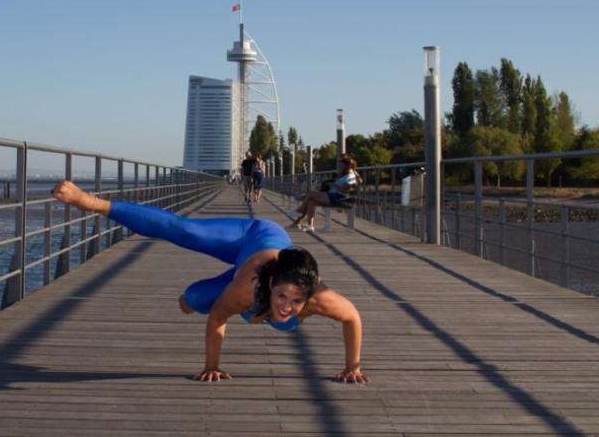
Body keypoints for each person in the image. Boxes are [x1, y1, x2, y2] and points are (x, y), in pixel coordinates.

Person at [51, 180, 370, 383]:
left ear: (308, 297)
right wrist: (211, 366)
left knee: (282, 322)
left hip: (263, 276)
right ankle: (91, 201)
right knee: (190, 275)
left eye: (296, 301)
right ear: (271, 285)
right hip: (253, 237)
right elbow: (219, 316)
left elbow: (352, 316)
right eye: (283, 297)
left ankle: (255, 310)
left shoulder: (317, 297)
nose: (288, 305)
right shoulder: (248, 287)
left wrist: (352, 366)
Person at [290, 156, 363, 233]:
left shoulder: (350, 176)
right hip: (332, 195)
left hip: (337, 197)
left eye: (341, 165)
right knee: (311, 202)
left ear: (346, 166)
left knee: (310, 194)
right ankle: (310, 226)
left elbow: (344, 190)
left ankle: (298, 211)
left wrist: (333, 185)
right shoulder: (344, 174)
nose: (339, 167)